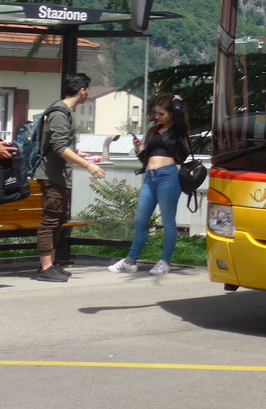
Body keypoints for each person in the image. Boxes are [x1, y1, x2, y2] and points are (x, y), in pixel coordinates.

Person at [109, 93, 191, 277]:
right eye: (156, 114)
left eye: (162, 114)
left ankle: (164, 261)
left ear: (171, 113)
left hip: (168, 176)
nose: (158, 117)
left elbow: (180, 115)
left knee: (168, 221)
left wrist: (177, 100)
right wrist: (138, 149)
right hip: (150, 176)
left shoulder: (177, 129)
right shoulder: (154, 132)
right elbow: (145, 159)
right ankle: (131, 260)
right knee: (141, 219)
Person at [34, 73, 105, 283]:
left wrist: (77, 154)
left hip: (59, 176)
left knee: (57, 220)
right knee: (50, 221)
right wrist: (87, 164)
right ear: (82, 90)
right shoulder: (59, 113)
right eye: (87, 90)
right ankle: (46, 267)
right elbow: (58, 146)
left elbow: (60, 145)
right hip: (51, 175)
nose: (87, 94)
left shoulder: (66, 111)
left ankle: (51, 264)